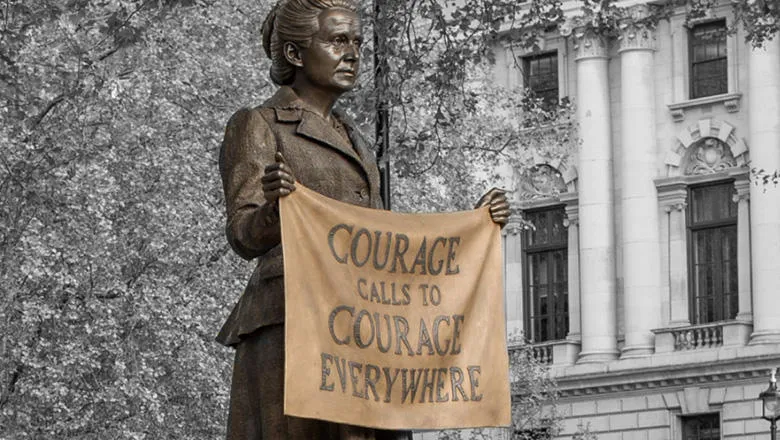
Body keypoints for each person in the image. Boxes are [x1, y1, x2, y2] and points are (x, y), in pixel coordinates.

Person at [216, 0, 510, 438]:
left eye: (356, 41)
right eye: (337, 41)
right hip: (294, 326)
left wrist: (473, 226)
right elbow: (243, 234)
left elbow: (382, 244)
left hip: (364, 335)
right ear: (296, 54)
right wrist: (278, 211)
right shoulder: (259, 124)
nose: (353, 53)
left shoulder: (354, 137)